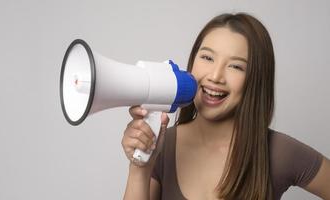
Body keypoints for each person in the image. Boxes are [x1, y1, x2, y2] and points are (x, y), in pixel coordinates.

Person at [121, 13, 330, 200]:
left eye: (236, 66)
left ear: (255, 80)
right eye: (207, 57)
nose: (215, 76)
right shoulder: (162, 145)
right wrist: (140, 167)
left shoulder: (277, 152)